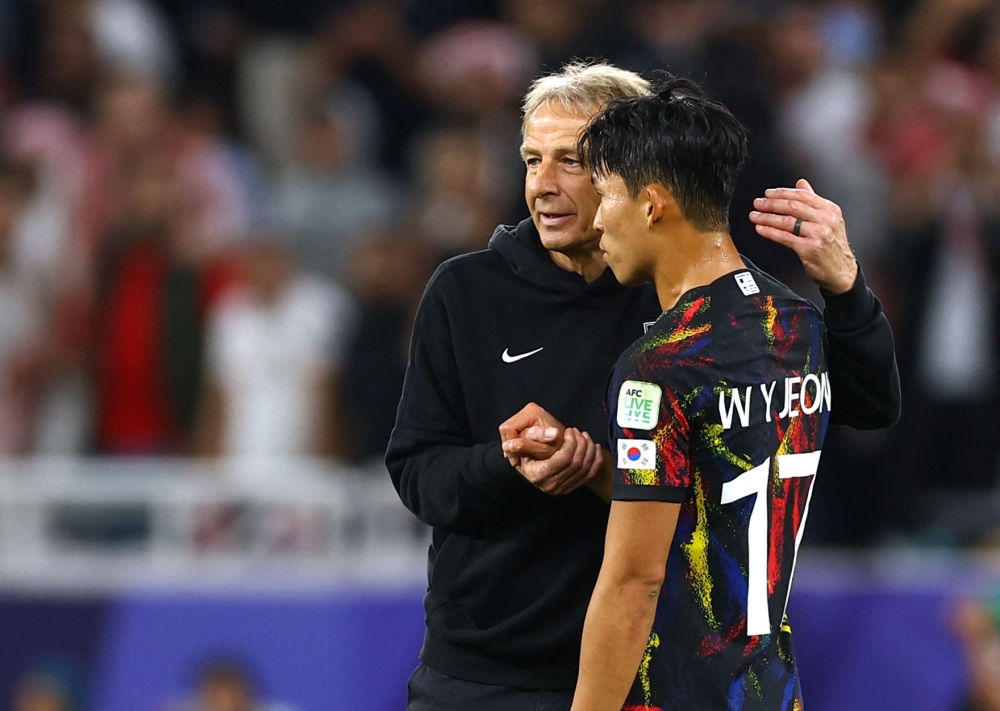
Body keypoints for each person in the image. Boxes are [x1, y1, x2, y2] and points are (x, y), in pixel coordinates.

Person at [386, 62, 899, 711]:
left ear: (632, 171)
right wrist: (507, 464)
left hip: (637, 670)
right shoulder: (464, 293)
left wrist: (848, 290)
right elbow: (416, 471)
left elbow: (864, 403)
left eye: (572, 161)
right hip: (484, 673)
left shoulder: (690, 320)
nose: (542, 185)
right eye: (530, 159)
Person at [538, 73, 825, 711]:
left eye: (606, 193)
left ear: (652, 204)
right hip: (771, 690)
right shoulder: (798, 325)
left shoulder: (662, 364)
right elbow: (715, 486)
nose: (597, 216)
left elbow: (635, 581)